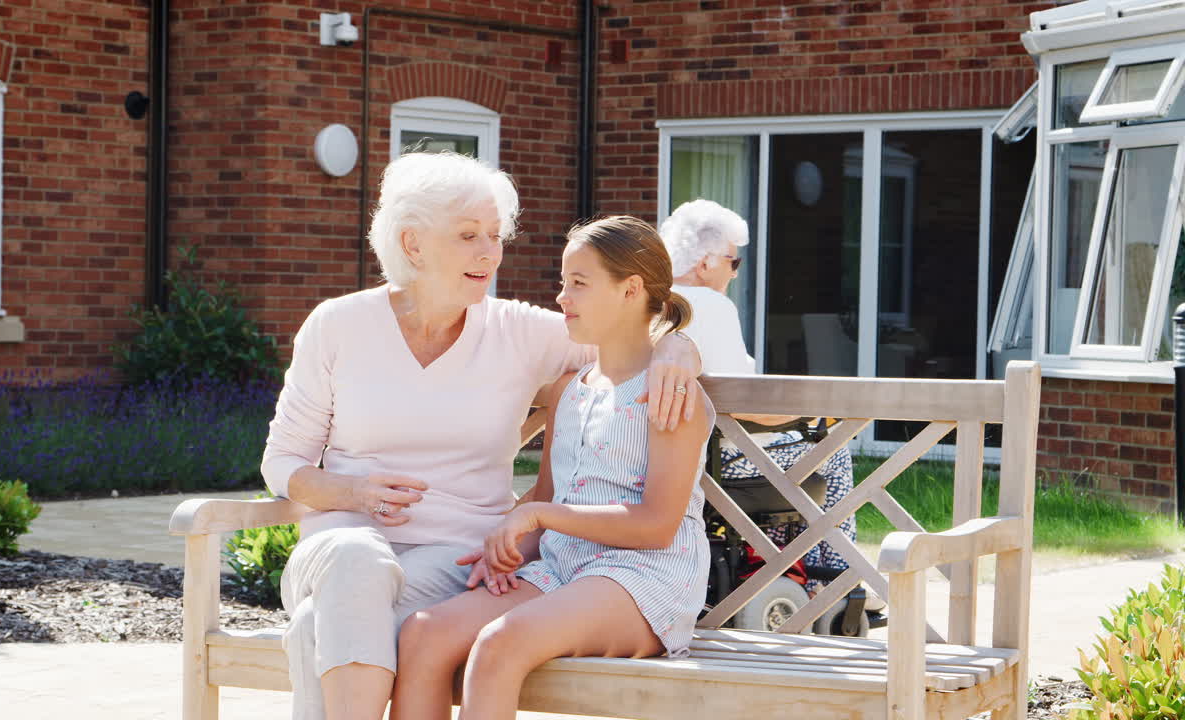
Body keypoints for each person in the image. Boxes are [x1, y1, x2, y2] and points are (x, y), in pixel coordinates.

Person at [261, 151, 703, 720]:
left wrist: (677, 345)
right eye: (468, 235)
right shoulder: (337, 324)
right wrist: (355, 495)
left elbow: (628, 333)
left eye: (495, 236)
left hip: (457, 561)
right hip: (341, 547)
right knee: (356, 558)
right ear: (412, 244)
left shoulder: (518, 331)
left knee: (311, 627)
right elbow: (282, 464)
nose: (489, 252)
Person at [390, 215, 715, 720]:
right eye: (563, 282)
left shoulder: (668, 392)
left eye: (579, 284)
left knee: (500, 643)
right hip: (562, 569)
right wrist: (502, 548)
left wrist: (541, 518)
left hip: (644, 578)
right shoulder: (571, 389)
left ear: (631, 290)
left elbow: (657, 526)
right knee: (423, 632)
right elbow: (546, 495)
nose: (562, 297)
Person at [660, 198, 856, 594]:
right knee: (833, 448)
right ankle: (838, 580)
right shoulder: (712, 306)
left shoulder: (651, 302)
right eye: (734, 262)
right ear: (706, 263)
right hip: (722, 465)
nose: (734, 274)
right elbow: (746, 406)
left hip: (666, 459)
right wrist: (808, 417)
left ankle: (779, 571)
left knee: (787, 449)